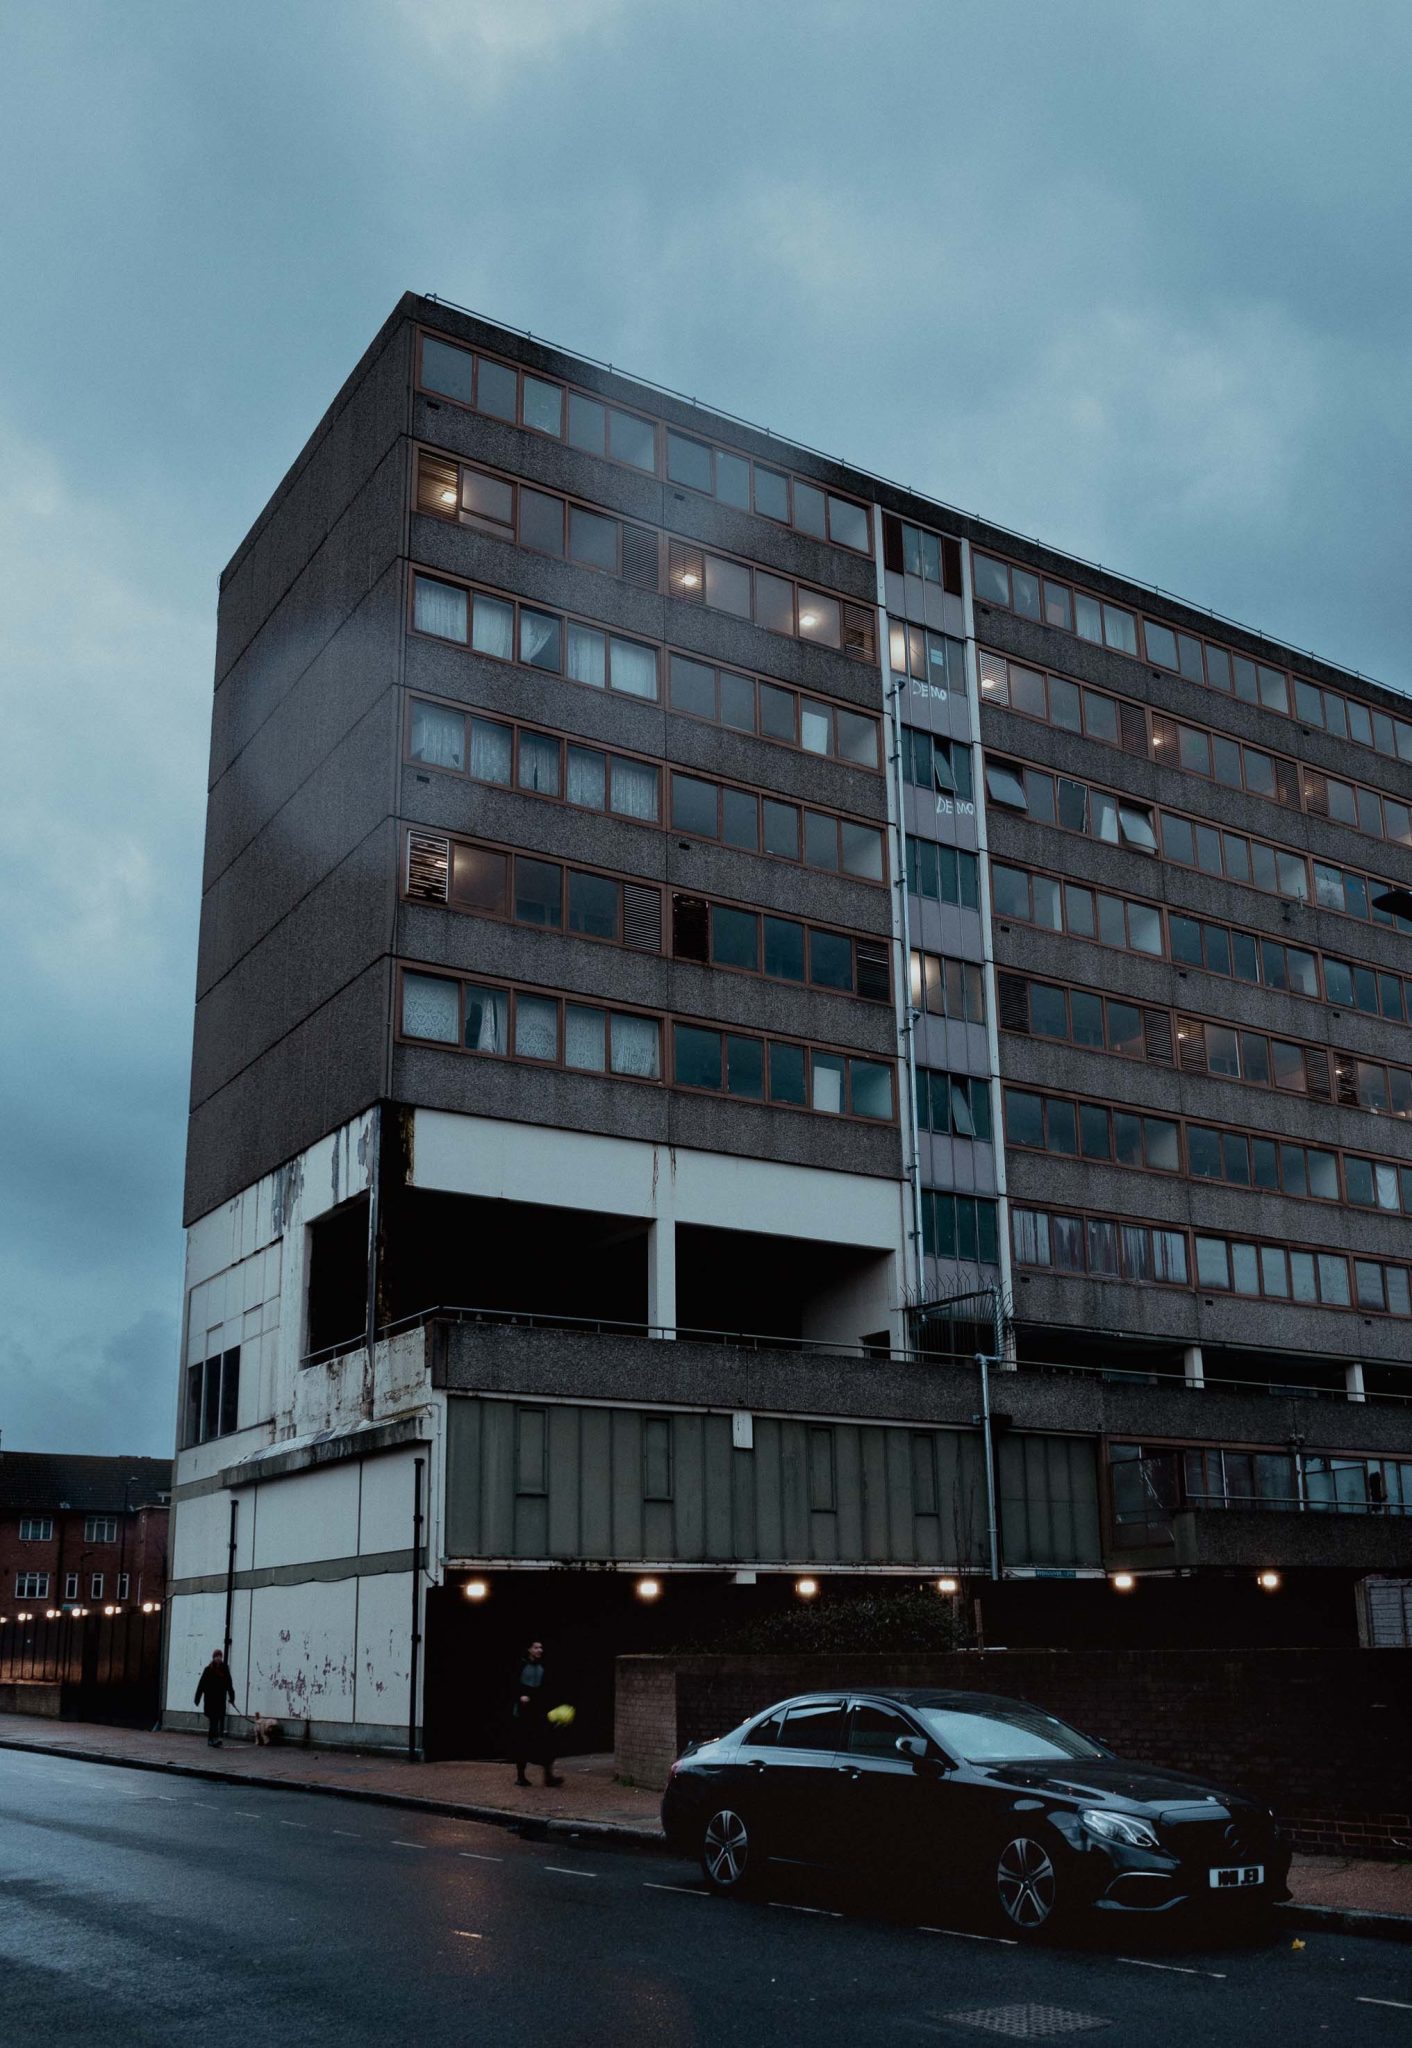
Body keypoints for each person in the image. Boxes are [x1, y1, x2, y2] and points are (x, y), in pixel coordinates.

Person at [511, 1639, 562, 1788]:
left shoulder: (543, 1667)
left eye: (541, 1647)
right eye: (536, 1647)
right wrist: (520, 1696)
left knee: (548, 1742)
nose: (540, 1650)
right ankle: (521, 1777)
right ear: (529, 1649)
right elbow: (513, 1686)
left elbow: (548, 1689)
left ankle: (548, 1776)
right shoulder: (521, 1666)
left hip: (539, 1710)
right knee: (522, 1743)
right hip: (523, 1712)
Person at [194, 1648, 237, 1747]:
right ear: (213, 1658)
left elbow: (229, 1684)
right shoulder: (208, 1669)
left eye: (220, 1656)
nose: (218, 1658)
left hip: (220, 1699)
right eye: (216, 1656)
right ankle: (212, 1739)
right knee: (213, 1719)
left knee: (217, 1719)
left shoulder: (225, 1669)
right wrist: (197, 1698)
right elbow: (201, 1685)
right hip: (210, 1699)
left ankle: (214, 1739)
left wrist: (232, 1697)